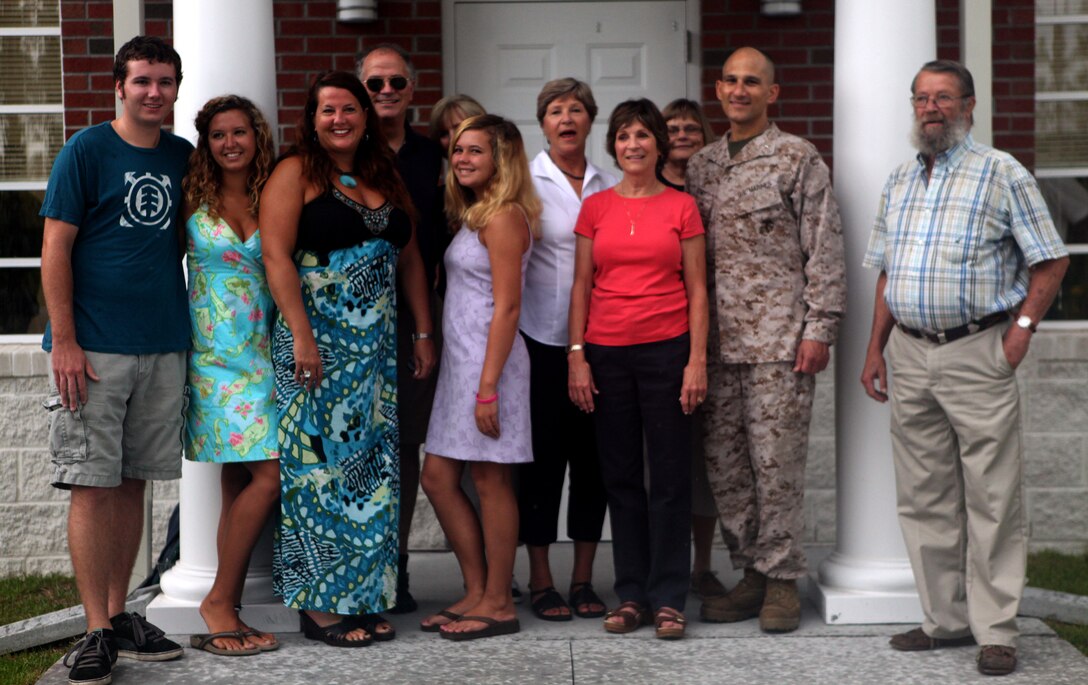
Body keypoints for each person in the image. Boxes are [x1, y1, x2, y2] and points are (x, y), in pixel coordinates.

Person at [861, 59, 1069, 677]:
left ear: (969, 106)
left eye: (944, 98)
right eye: (922, 98)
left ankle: (996, 629)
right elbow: (888, 273)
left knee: (993, 495)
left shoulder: (1002, 173)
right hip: (911, 351)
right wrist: (877, 347)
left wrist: (1020, 334)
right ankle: (944, 621)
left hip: (978, 351)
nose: (931, 108)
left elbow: (1051, 261)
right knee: (923, 495)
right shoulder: (899, 180)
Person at [261, 71, 435, 648]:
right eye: (328, 110)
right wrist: (303, 337)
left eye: (350, 108)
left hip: (374, 354)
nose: (340, 119)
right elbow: (277, 258)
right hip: (317, 347)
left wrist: (422, 331)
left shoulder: (382, 171)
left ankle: (362, 596)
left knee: (368, 476)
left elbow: (408, 255)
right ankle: (319, 607)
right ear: (311, 119)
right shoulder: (295, 172)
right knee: (317, 474)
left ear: (365, 115)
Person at [40, 35, 190, 685]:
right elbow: (54, 249)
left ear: (176, 88)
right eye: (142, 81)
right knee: (93, 483)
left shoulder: (184, 157)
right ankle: (95, 626)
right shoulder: (87, 150)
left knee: (135, 482)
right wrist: (65, 340)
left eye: (164, 81)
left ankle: (120, 612)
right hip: (94, 348)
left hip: (162, 343)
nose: (153, 91)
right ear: (119, 87)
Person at [686, 47, 846, 635]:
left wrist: (820, 328)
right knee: (726, 469)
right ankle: (750, 570)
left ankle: (781, 580)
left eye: (752, 82)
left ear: (771, 93)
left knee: (775, 466)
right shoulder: (700, 166)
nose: (739, 90)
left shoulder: (797, 158)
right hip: (715, 347)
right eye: (730, 80)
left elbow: (824, 245)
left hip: (780, 341)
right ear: (719, 90)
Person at [568, 98, 708, 640]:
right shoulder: (595, 207)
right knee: (620, 476)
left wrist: (697, 360)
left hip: (668, 350)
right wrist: (575, 356)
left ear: (658, 144)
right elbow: (581, 285)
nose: (634, 145)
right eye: (624, 136)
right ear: (614, 145)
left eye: (643, 135)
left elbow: (697, 287)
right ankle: (631, 594)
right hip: (604, 353)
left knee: (670, 476)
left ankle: (669, 597)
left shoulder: (682, 207)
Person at [419, 114, 541, 641]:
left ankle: (498, 602)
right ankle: (477, 588)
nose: (461, 158)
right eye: (459, 150)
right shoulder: (474, 214)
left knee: (491, 480)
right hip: (460, 365)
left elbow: (509, 307)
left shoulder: (505, 217)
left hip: (492, 368)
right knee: (439, 477)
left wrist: (488, 386)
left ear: (501, 159)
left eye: (475, 151)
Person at [182, 95, 281, 656]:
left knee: (241, 484)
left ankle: (229, 606)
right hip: (213, 361)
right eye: (218, 135)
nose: (229, 144)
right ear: (207, 143)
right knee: (267, 478)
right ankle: (220, 601)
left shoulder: (274, 193)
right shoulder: (191, 197)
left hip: (263, 357)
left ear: (255, 135)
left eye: (239, 132)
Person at [518, 78, 616, 622]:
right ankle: (540, 579)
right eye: (556, 110)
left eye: (576, 109)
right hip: (536, 342)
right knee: (541, 466)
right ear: (543, 123)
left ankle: (583, 579)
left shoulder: (610, 183)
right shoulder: (524, 184)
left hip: (597, 343)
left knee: (592, 464)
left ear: (590, 119)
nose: (567, 118)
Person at [358, 45, 447, 612]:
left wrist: (425, 328)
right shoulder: (341, 150)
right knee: (359, 444)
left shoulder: (435, 156)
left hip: (419, 315)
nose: (385, 91)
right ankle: (361, 565)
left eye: (396, 83)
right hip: (351, 322)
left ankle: (397, 565)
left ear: (412, 91)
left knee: (406, 444)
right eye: (374, 84)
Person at [658, 97, 726, 601]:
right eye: (672, 128)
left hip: (713, 335)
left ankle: (702, 565)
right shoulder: (647, 190)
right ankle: (662, 564)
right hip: (655, 335)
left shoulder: (714, 188)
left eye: (691, 128)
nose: (682, 134)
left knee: (706, 460)